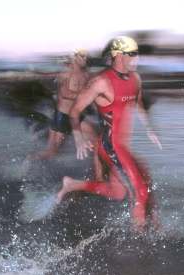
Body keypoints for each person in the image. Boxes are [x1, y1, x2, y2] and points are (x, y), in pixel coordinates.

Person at [57, 36, 162, 231]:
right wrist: (79, 137)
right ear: (119, 56)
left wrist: (149, 128)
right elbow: (74, 111)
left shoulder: (135, 79)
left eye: (137, 55)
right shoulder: (101, 82)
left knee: (119, 191)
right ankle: (143, 244)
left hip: (122, 145)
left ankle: (72, 184)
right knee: (141, 191)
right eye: (133, 54)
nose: (137, 59)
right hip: (110, 145)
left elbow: (138, 103)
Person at [28, 49, 103, 180]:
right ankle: (29, 160)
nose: (85, 59)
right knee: (52, 152)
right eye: (82, 56)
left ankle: (98, 177)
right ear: (75, 57)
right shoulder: (66, 74)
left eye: (86, 57)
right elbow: (65, 94)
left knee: (97, 143)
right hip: (62, 118)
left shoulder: (87, 74)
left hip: (77, 117)